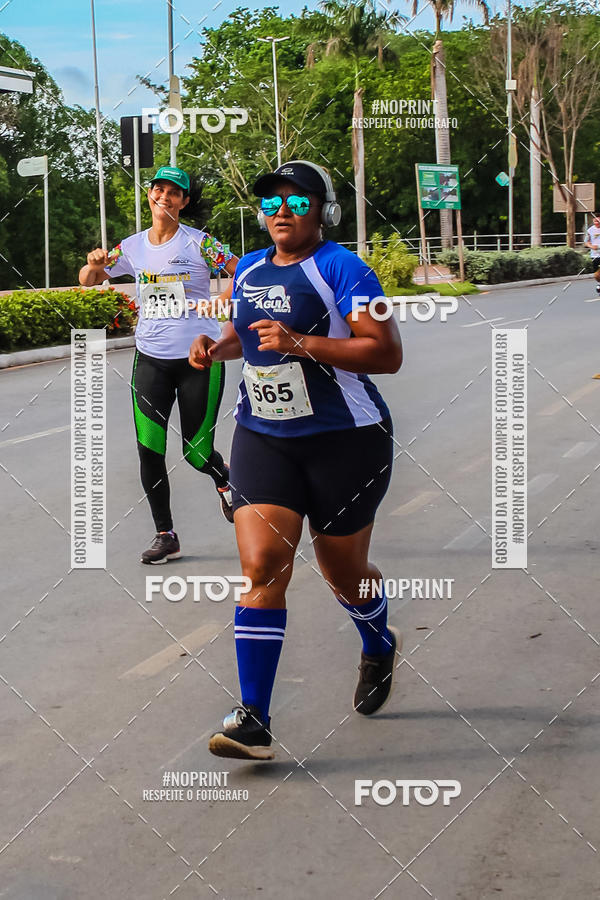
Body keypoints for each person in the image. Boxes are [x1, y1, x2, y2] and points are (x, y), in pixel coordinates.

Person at [189, 160, 403, 760]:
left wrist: (304, 343)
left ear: (323, 210)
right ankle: (252, 718)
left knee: (344, 575)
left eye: (298, 201)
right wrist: (216, 346)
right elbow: (247, 333)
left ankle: (378, 642)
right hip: (264, 436)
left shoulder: (347, 269)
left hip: (346, 442)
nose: (282, 211)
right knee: (262, 566)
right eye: (272, 202)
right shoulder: (250, 267)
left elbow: (385, 354)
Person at [79, 165, 238, 564]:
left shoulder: (200, 244)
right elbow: (87, 277)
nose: (164, 197)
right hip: (150, 359)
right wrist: (96, 263)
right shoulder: (131, 247)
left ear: (184, 201)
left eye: (173, 193)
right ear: (150, 196)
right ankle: (165, 534)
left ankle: (227, 480)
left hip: (199, 360)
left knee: (197, 454)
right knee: (149, 450)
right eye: (158, 190)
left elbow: (244, 271)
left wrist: (223, 302)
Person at [584, 214, 600, 296]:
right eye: (595, 221)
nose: (596, 222)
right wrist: (591, 246)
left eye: (598, 221)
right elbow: (586, 242)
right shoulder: (590, 230)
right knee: (597, 275)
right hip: (595, 255)